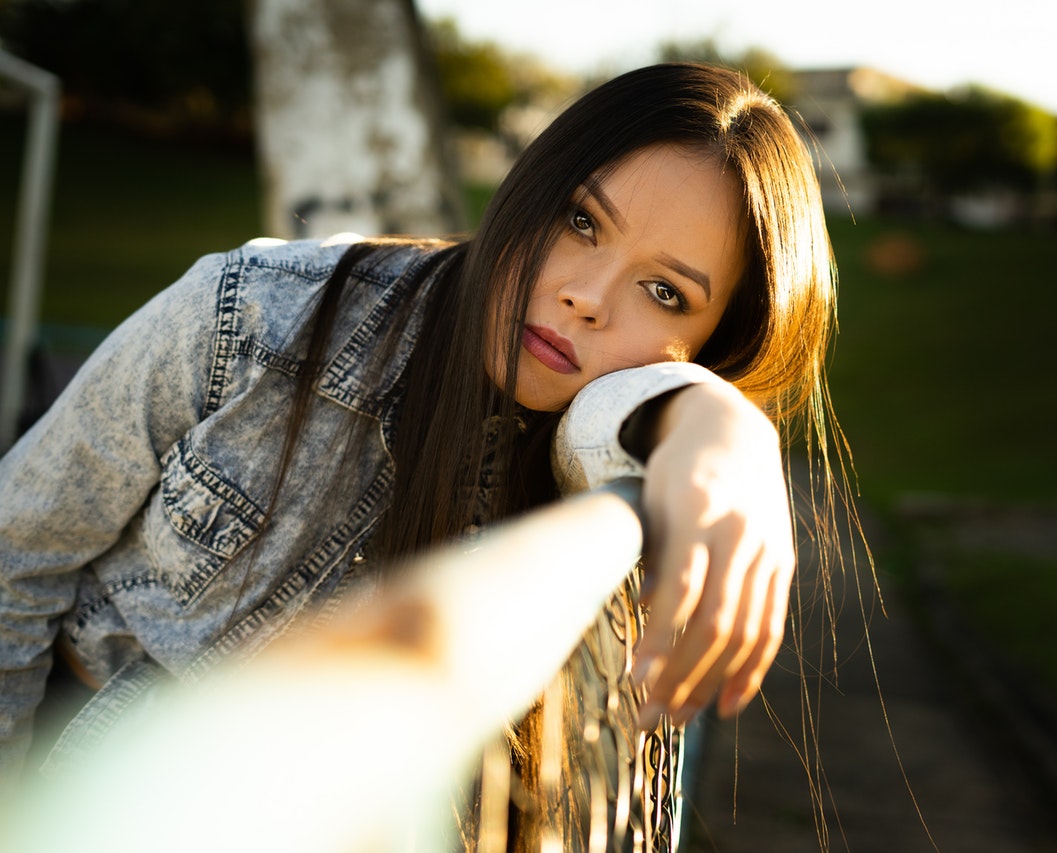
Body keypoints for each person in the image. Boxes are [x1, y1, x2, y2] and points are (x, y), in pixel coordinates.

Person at [0, 62, 844, 851]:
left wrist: (719, 425)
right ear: (531, 188)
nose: (585, 296)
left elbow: (611, 423)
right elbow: (14, 556)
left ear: (707, 345)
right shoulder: (253, 316)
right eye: (580, 221)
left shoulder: (612, 438)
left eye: (664, 291)